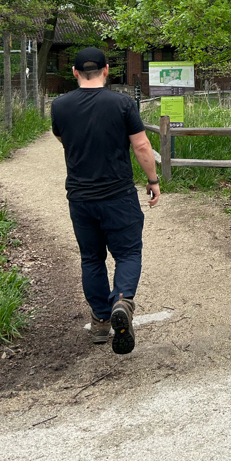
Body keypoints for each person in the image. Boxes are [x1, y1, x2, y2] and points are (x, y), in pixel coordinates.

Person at [51, 47, 161, 355]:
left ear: (75, 72)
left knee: (91, 258)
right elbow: (141, 146)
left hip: (80, 198)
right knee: (128, 253)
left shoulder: (59, 106)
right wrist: (153, 181)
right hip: (118, 196)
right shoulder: (122, 104)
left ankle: (100, 320)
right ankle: (122, 301)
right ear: (107, 70)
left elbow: (62, 139)